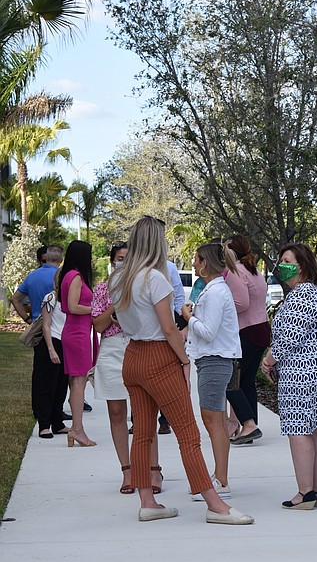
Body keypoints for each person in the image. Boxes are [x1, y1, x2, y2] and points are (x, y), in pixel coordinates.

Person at [109, 216, 252, 524]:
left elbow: (118, 320)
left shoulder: (119, 278)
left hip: (131, 355)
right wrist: (184, 361)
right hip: (158, 356)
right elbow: (169, 328)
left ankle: (147, 501)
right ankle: (216, 505)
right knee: (188, 433)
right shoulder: (155, 278)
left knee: (143, 433)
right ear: (156, 242)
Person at [260, 243, 317, 510]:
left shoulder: (301, 295)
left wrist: (268, 361)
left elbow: (288, 338)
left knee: (299, 429)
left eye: (286, 260)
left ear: (302, 265)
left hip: (302, 374)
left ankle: (305, 492)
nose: (281, 265)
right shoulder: (312, 294)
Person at [92, 242, 163, 494]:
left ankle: (153, 469)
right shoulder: (102, 288)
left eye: (127, 258)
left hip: (137, 346)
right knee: (116, 411)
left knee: (144, 411)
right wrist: (115, 305)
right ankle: (127, 470)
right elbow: (99, 325)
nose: (123, 262)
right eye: (119, 258)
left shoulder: (143, 284)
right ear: (112, 261)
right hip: (111, 349)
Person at [181, 242, 240, 500]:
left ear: (205, 263)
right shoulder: (213, 290)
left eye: (195, 259)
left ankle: (222, 480)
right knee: (212, 419)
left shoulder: (216, 292)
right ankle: (220, 477)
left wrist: (188, 318)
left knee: (213, 420)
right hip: (211, 359)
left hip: (215, 360)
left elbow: (208, 331)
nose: (193, 264)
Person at [11, 245, 65, 433]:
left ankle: (41, 414)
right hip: (57, 329)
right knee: (59, 379)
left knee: (41, 375)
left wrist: (27, 319)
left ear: (45, 258)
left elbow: (15, 298)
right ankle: (53, 418)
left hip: (39, 329)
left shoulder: (32, 276)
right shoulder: (59, 277)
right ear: (60, 259)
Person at [224, 235, 270, 445]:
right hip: (261, 327)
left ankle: (248, 424)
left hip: (247, 330)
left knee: (230, 380)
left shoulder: (236, 271)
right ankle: (250, 426)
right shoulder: (254, 270)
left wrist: (219, 310)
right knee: (247, 379)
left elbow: (241, 303)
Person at [58, 240, 97, 447]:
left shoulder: (69, 276)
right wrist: (94, 309)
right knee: (79, 382)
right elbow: (73, 306)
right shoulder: (75, 277)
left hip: (76, 332)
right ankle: (78, 430)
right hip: (77, 334)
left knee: (76, 383)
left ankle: (76, 429)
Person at [37, 286, 70, 438]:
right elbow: (46, 325)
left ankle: (57, 422)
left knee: (61, 386)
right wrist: (51, 349)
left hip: (66, 345)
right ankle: (44, 425)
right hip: (52, 343)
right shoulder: (50, 298)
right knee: (47, 386)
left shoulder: (70, 299)